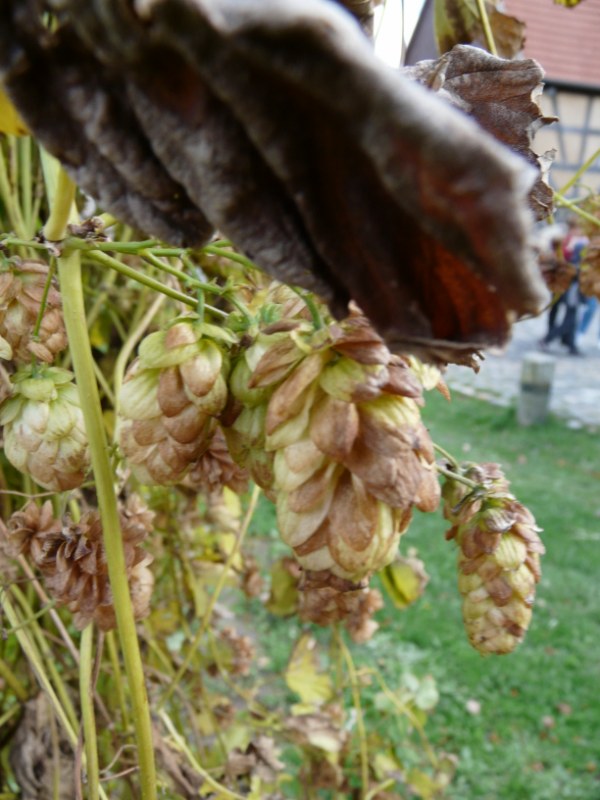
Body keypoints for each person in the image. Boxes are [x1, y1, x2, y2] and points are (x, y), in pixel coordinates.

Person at [540, 221, 588, 356]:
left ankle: (568, 343)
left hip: (570, 284)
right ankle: (549, 338)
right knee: (569, 316)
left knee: (569, 314)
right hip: (570, 284)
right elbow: (572, 265)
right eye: (578, 228)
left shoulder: (575, 242)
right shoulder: (575, 243)